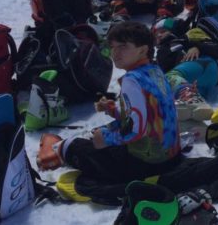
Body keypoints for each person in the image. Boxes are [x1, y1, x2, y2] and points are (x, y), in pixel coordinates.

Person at [37, 21, 181, 182]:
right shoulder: (155, 70)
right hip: (171, 155)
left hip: (147, 164)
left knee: (78, 147)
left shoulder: (132, 80)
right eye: (113, 47)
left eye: (123, 47)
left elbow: (137, 130)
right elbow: (150, 115)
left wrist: (106, 139)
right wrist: (114, 110)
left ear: (143, 50)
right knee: (101, 132)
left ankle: (61, 149)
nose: (115, 53)